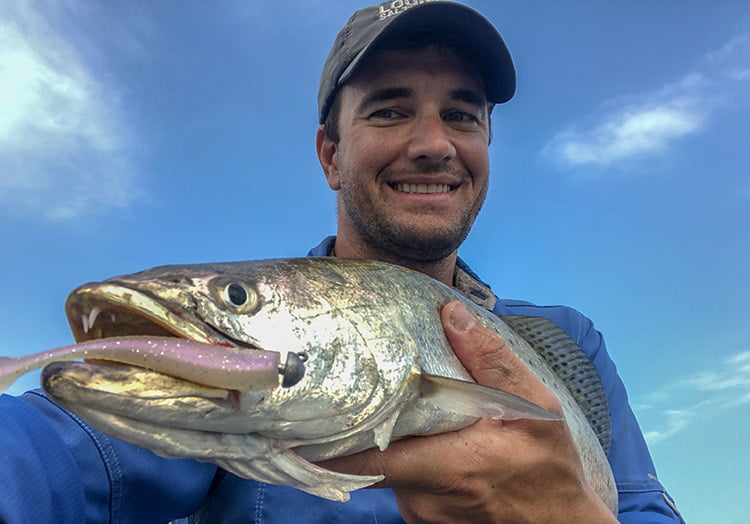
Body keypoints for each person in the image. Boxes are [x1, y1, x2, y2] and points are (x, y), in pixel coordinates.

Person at [0, 2, 684, 523]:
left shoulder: (570, 339)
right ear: (331, 154)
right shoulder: (227, 367)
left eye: (462, 115)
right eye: (389, 112)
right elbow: (48, 455)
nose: (432, 144)